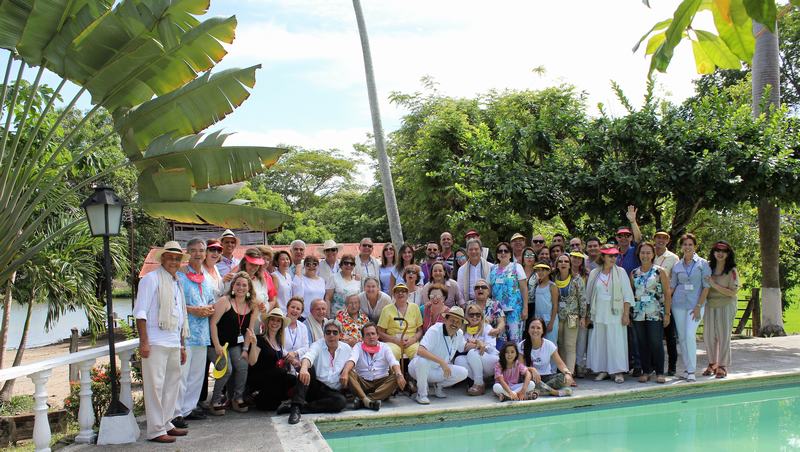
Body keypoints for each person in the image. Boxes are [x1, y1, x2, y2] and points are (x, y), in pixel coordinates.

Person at [134, 241, 189, 443]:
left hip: (173, 340)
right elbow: (141, 313)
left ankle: (166, 423)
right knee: (155, 387)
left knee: (171, 385)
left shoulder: (176, 282)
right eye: (171, 257)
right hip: (156, 340)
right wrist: (144, 342)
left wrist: (182, 345)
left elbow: (180, 317)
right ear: (163, 258)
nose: (174, 261)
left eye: (177, 258)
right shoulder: (151, 279)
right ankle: (156, 430)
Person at [173, 239, 215, 426]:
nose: (198, 254)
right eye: (193, 250)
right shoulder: (180, 277)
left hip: (203, 333)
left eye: (201, 250)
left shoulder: (206, 278)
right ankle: (176, 412)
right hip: (186, 333)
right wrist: (192, 310)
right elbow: (175, 304)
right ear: (187, 253)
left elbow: (212, 300)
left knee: (198, 374)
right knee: (182, 373)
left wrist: (209, 309)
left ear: (205, 253)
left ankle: (189, 409)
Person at [209, 272, 258, 414]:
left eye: (244, 285)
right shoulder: (225, 301)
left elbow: (249, 330)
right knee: (227, 369)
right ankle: (215, 401)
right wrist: (217, 345)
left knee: (243, 365)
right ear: (232, 286)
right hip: (216, 344)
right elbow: (213, 324)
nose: (241, 287)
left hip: (235, 345)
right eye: (238, 284)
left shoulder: (252, 306)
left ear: (249, 288)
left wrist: (245, 349)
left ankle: (237, 398)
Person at [585, 244, 634, 384]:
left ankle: (617, 371)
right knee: (600, 341)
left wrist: (626, 314)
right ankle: (603, 370)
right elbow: (588, 297)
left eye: (615, 255)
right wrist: (587, 315)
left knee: (616, 341)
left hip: (616, 313)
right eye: (610, 255)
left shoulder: (621, 272)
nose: (613, 258)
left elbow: (627, 296)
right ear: (603, 257)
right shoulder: (595, 273)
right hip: (598, 312)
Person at [288, 320, 351, 424]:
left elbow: (352, 363)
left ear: (340, 335)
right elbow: (308, 357)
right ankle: (295, 408)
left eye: (335, 332)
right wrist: (303, 369)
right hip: (314, 387)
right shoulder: (317, 345)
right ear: (324, 334)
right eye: (328, 332)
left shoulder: (346, 349)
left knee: (341, 402)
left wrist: (346, 372)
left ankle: (302, 408)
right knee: (308, 368)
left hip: (332, 392)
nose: (331, 335)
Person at [670, 233, 712, 382]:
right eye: (685, 244)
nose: (687, 247)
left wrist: (698, 305)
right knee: (682, 338)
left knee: (689, 335)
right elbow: (672, 286)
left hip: (696, 305)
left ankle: (692, 371)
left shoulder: (703, 264)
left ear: (695, 246)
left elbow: (706, 287)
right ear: (681, 247)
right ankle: (687, 369)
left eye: (690, 244)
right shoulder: (677, 265)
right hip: (678, 304)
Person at [408, 307, 470, 405]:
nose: (455, 324)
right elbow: (420, 350)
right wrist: (442, 362)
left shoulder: (459, 333)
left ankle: (438, 386)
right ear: (445, 320)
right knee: (422, 361)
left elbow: (463, 347)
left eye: (458, 322)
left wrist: (478, 344)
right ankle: (421, 394)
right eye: (452, 320)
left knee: (464, 372)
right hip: (418, 369)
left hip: (438, 370)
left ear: (461, 324)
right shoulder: (435, 330)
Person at [630, 242, 672, 384]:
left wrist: (667, 314)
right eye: (643, 252)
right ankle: (646, 371)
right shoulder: (634, 273)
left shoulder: (660, 271)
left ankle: (659, 372)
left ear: (653, 254)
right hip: (638, 314)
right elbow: (631, 294)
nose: (645, 255)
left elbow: (667, 293)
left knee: (655, 343)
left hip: (655, 313)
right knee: (642, 343)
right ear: (638, 254)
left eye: (648, 252)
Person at [243, 308, 296, 411]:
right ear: (268, 322)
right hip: (260, 377)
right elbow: (252, 362)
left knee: (292, 379)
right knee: (280, 373)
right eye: (272, 320)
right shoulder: (259, 339)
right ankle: (256, 395)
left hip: (274, 379)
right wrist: (253, 344)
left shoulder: (279, 342)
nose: (275, 323)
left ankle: (281, 399)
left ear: (281, 324)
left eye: (278, 320)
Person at [347, 323, 406, 411]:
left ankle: (365, 400)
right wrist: (345, 372)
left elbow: (393, 362)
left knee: (397, 375)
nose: (371, 337)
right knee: (348, 372)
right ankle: (370, 400)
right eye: (367, 334)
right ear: (363, 338)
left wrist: (399, 374)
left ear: (378, 335)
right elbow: (352, 360)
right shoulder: (358, 346)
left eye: (373, 333)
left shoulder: (385, 347)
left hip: (381, 384)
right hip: (363, 383)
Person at [703, 241, 739, 379]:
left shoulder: (732, 270)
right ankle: (712, 363)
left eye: (723, 251)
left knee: (723, 336)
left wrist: (714, 284)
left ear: (728, 254)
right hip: (710, 304)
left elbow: (732, 292)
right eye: (717, 250)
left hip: (726, 304)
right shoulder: (708, 267)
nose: (720, 253)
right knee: (708, 335)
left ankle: (722, 366)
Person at [521, 318, 574, 397]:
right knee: (529, 382)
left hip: (547, 377)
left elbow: (560, 364)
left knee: (564, 378)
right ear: (528, 330)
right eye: (532, 327)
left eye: (538, 328)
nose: (535, 330)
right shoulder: (522, 345)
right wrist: (532, 369)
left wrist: (567, 374)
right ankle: (554, 392)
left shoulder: (549, 345)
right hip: (531, 378)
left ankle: (538, 391)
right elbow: (520, 367)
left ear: (543, 331)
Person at [454, 304, 500, 395]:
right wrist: (478, 344)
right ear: (466, 316)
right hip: (475, 361)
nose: (475, 317)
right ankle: (480, 382)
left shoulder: (487, 327)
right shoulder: (463, 330)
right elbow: (462, 348)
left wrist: (477, 345)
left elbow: (490, 347)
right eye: (471, 315)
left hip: (490, 360)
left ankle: (478, 384)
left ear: (481, 316)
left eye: (478, 314)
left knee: (472, 353)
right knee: (458, 360)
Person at [490, 242, 528, 344]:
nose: (503, 253)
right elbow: (489, 289)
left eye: (506, 251)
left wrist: (525, 308)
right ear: (497, 254)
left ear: (510, 254)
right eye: (500, 251)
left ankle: (517, 360)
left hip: (514, 311)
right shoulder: (492, 269)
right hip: (498, 312)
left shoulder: (517, 267)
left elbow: (524, 288)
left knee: (515, 340)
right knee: (500, 341)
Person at [554, 255, 586, 377]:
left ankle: (570, 374)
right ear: (557, 264)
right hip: (558, 316)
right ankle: (563, 372)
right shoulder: (554, 278)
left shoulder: (577, 279)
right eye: (560, 261)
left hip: (572, 317)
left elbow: (582, 299)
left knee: (570, 345)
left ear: (570, 264)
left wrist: (583, 317)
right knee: (560, 344)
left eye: (566, 261)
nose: (563, 263)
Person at [654, 230, 680, 375]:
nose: (661, 240)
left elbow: (675, 281)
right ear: (654, 239)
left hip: (667, 301)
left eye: (664, 238)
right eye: (658, 237)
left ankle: (672, 366)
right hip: (651, 303)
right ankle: (655, 366)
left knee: (670, 337)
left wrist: (667, 295)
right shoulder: (649, 254)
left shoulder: (673, 258)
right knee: (654, 337)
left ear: (668, 241)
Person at [378, 284, 423, 361]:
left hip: (411, 341)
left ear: (408, 295)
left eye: (403, 291)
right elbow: (380, 331)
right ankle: (394, 373)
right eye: (397, 291)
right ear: (394, 295)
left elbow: (420, 330)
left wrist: (413, 339)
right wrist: (394, 340)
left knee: (419, 353)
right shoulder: (386, 309)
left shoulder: (415, 307)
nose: (400, 293)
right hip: (393, 342)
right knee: (390, 352)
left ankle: (413, 373)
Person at [236, 248, 272, 313]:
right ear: (245, 262)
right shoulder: (235, 278)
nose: (254, 267)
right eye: (251, 264)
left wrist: (265, 307)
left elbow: (266, 300)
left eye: (256, 265)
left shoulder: (261, 281)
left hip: (258, 320)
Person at [531, 261, 559, 342]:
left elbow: (555, 306)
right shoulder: (537, 285)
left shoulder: (552, 286)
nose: (540, 272)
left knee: (551, 343)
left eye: (543, 270)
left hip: (549, 319)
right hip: (538, 320)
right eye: (538, 270)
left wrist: (551, 323)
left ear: (549, 271)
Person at [291, 255, 326, 319]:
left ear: (318, 266)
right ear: (304, 266)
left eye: (314, 264)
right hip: (304, 316)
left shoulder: (322, 280)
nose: (311, 266)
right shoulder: (300, 279)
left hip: (319, 316)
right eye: (308, 264)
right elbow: (297, 295)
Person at [283, 297, 311, 370]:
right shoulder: (280, 323)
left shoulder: (303, 327)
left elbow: (306, 347)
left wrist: (295, 353)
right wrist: (290, 358)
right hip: (282, 361)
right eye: (292, 307)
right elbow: (277, 345)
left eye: (298, 309)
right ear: (287, 308)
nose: (295, 310)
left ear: (301, 313)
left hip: (297, 363)